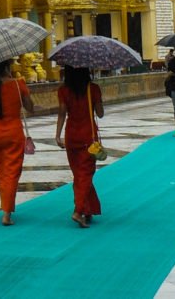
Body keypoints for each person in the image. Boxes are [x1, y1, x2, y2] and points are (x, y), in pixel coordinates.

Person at [0, 60, 34, 226]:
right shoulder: (18, 85)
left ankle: (6, 207)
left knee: (3, 173)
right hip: (14, 133)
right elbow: (30, 107)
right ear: (7, 68)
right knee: (12, 174)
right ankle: (6, 213)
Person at [54, 65, 103, 228]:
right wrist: (97, 99)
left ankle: (89, 209)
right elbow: (100, 113)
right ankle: (79, 210)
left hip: (71, 136)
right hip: (88, 137)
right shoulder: (93, 89)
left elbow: (62, 112)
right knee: (86, 174)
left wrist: (57, 134)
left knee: (79, 175)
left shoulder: (63, 90)